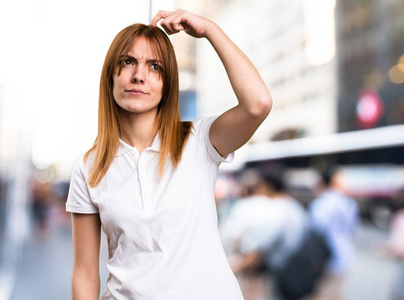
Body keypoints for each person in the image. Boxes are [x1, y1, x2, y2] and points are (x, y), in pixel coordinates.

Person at [66, 9, 272, 300]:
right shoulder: (90, 167)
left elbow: (258, 104)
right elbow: (85, 273)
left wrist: (209, 29)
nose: (139, 76)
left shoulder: (199, 141)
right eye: (128, 62)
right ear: (110, 75)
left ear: (167, 83)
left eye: (154, 67)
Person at [222, 171, 308, 300]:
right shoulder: (294, 207)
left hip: (280, 270)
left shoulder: (276, 208)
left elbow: (258, 251)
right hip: (297, 266)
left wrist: (235, 266)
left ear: (267, 186)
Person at [308, 167, 359, 300]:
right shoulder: (349, 202)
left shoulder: (321, 203)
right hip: (345, 254)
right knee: (336, 294)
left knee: (320, 294)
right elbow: (353, 228)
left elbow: (315, 232)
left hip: (325, 259)